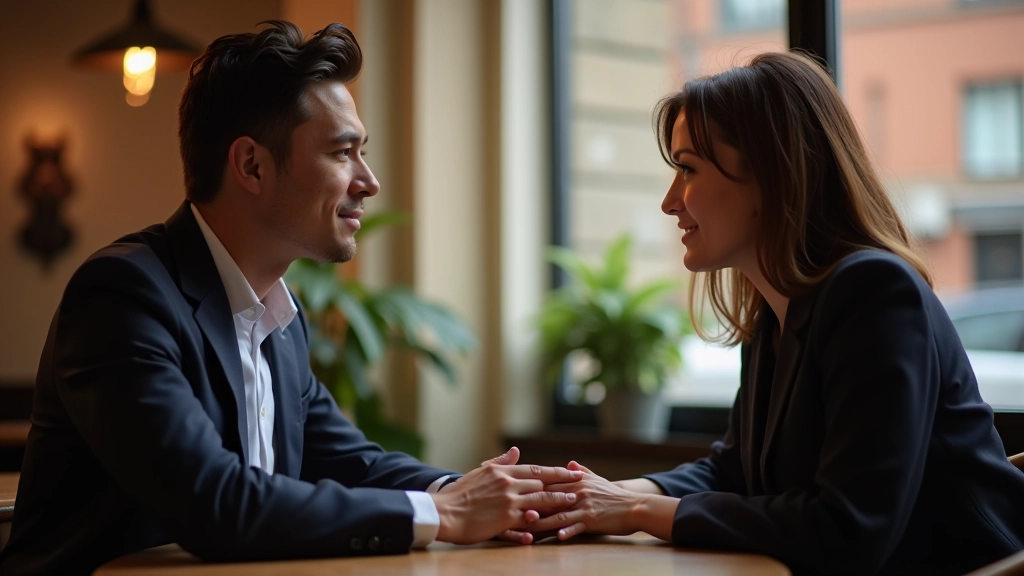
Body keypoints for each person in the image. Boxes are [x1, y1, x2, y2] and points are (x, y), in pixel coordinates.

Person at [0, 21, 580, 575]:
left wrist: (483, 494)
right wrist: (445, 515)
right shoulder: (123, 298)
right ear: (251, 165)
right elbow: (216, 502)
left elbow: (352, 463)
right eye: (341, 152)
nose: (369, 181)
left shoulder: (278, 316)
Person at [522, 51, 1024, 575]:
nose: (670, 202)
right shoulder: (777, 310)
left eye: (688, 169)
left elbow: (848, 531)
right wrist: (596, 494)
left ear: (772, 173)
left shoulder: (874, 293)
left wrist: (639, 510)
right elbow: (732, 469)